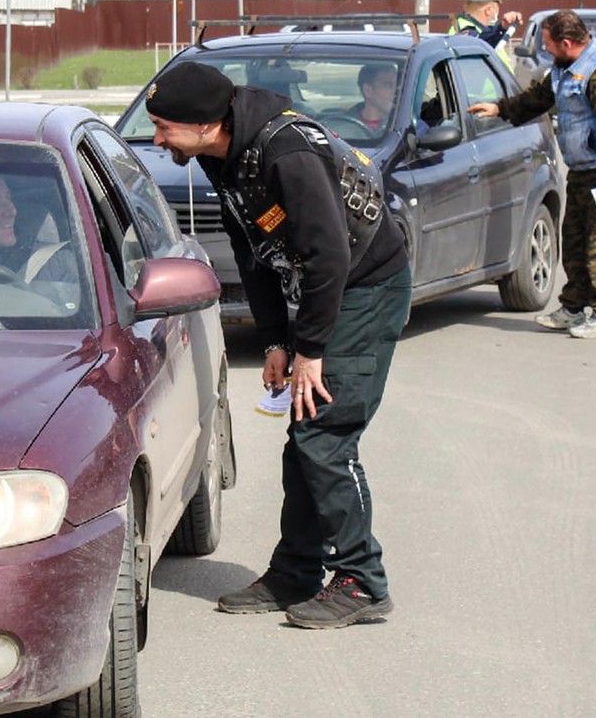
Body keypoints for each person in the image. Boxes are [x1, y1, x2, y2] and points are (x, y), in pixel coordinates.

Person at [146, 61, 411, 630]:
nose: (157, 138)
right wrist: (274, 341)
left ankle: (362, 583)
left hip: (364, 287)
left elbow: (330, 256)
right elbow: (254, 250)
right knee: (304, 439)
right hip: (326, 288)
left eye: (165, 126)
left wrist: (309, 349)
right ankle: (296, 572)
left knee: (325, 436)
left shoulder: (285, 152)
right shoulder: (224, 154)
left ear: (203, 123)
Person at [468, 8, 596, 339]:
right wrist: (500, 108)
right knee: (574, 239)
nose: (545, 50)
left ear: (567, 42)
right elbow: (539, 99)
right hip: (582, 169)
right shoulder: (563, 67)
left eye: (548, 44)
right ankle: (574, 307)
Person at [449, 0, 523, 69]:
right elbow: (480, 45)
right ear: (488, 10)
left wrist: (503, 27)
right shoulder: (465, 30)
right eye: (497, 6)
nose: (498, 10)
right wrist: (501, 28)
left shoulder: (478, 28)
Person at [348, 62, 398, 132]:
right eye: (387, 86)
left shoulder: (401, 123)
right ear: (368, 90)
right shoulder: (343, 124)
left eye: (397, 86)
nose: (395, 92)